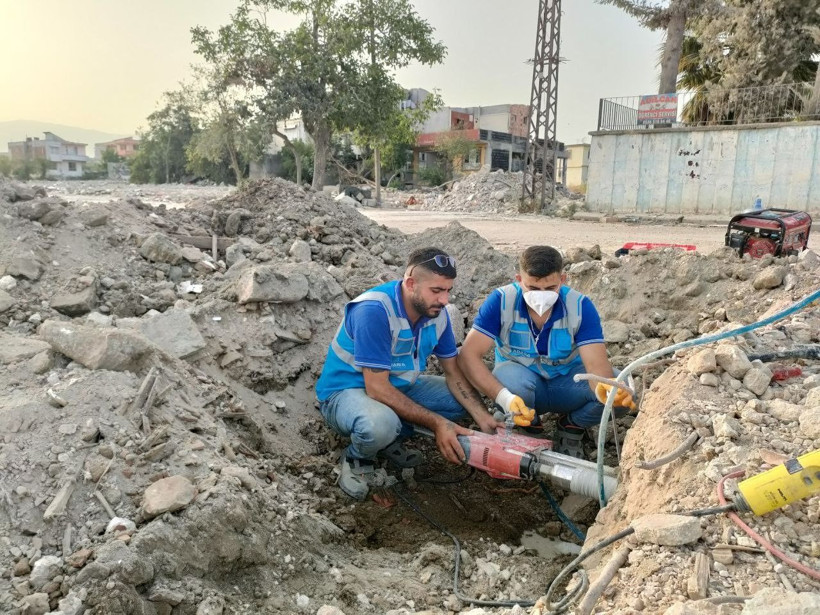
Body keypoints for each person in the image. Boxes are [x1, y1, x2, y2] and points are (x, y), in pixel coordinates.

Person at [315, 247, 503, 500]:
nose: (444, 300)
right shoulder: (374, 311)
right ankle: (358, 458)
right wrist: (438, 423)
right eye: (436, 291)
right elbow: (376, 388)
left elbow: (454, 372)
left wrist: (482, 417)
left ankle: (391, 436)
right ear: (411, 283)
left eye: (448, 290)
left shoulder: (438, 314)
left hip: (397, 388)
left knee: (458, 402)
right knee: (378, 424)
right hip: (347, 393)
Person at [458, 245, 634, 458]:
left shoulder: (580, 307)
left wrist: (606, 390)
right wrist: (504, 398)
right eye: (532, 288)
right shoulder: (501, 302)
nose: (541, 297)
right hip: (521, 387)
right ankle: (529, 426)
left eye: (550, 288)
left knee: (617, 387)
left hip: (566, 384)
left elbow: (597, 369)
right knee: (510, 379)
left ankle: (571, 426)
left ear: (563, 279)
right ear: (518, 279)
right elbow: (468, 355)